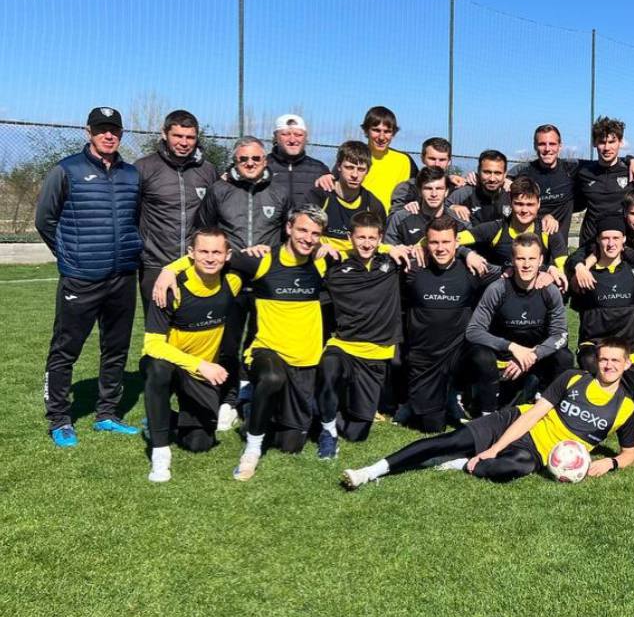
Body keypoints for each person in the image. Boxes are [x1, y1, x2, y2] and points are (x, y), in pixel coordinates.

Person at [157, 204, 331, 479]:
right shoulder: (262, 260)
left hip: (305, 360)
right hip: (267, 351)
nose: (308, 238)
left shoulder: (322, 262)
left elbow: (364, 246)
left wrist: (390, 248)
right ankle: (251, 449)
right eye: (302, 230)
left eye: (315, 234)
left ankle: (256, 410)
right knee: (272, 377)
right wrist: (169, 269)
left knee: (290, 445)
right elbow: (214, 257)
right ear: (288, 228)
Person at [341, 338, 634, 489]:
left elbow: (629, 454)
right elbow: (533, 415)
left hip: (538, 454)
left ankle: (461, 463)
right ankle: (370, 471)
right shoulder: (573, 378)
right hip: (514, 422)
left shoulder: (626, 408)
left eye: (615, 361)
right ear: (596, 361)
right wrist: (494, 448)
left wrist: (610, 463)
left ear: (627, 364)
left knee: (511, 469)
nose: (608, 366)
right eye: (604, 359)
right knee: (449, 440)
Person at [36, 107, 143, 446]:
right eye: (101, 129)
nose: (108, 135)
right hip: (81, 278)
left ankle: (107, 414)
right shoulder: (66, 170)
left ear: (121, 134)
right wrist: (69, 255)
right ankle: (59, 418)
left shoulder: (132, 174)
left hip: (122, 276)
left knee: (116, 349)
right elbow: (45, 220)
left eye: (114, 130)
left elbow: (137, 219)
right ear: (88, 132)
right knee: (65, 349)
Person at [192, 136, 292, 422]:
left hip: (266, 282)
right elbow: (203, 230)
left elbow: (289, 237)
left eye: (256, 158)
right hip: (229, 279)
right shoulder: (219, 190)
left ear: (265, 160)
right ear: (235, 161)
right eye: (243, 159)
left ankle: (250, 396)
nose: (250, 163)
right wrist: (231, 255)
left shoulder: (280, 192)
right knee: (227, 342)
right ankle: (227, 399)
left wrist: (271, 253)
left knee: (259, 342)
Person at [141, 227, 241, 481]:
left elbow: (271, 258)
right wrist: (199, 364)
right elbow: (152, 345)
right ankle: (160, 453)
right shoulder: (170, 287)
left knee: (199, 443)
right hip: (173, 365)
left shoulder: (233, 280)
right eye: (203, 251)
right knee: (158, 368)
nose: (210, 258)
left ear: (228, 255)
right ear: (191, 253)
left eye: (216, 252)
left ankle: (160, 417)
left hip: (199, 373)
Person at [315, 212, 413, 457]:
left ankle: (321, 408)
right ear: (350, 237)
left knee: (356, 434)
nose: (366, 243)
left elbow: (428, 247)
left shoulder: (393, 263)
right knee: (329, 367)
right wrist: (319, 249)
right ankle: (327, 431)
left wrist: (391, 248)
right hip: (344, 345)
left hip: (376, 354)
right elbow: (299, 252)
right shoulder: (334, 263)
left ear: (380, 238)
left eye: (372, 238)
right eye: (361, 237)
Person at [400, 216, 497, 432]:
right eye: (434, 242)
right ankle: (421, 401)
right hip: (426, 359)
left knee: (484, 357)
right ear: (426, 243)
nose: (440, 248)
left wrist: (549, 271)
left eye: (446, 242)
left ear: (456, 243)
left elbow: (511, 271)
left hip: (458, 353)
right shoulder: (413, 269)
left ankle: (488, 417)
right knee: (433, 427)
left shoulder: (471, 269)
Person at [465, 234, 572, 417]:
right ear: (512, 260)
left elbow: (560, 335)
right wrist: (512, 347)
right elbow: (473, 331)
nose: (526, 264)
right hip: (504, 361)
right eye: (521, 258)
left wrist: (533, 355)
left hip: (535, 358)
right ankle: (487, 413)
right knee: (481, 356)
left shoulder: (550, 291)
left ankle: (546, 404)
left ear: (540, 261)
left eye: (532, 259)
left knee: (564, 357)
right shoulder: (498, 289)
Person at [134, 109, 218, 310]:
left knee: (196, 325)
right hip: (155, 264)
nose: (184, 142)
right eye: (178, 136)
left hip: (195, 264)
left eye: (190, 137)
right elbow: (130, 214)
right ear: (164, 134)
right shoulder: (144, 167)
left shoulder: (208, 170)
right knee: (158, 324)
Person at [566, 217, 634, 388]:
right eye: (606, 238)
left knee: (624, 399)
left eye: (616, 238)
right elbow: (570, 265)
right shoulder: (585, 274)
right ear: (598, 240)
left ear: (624, 239)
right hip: (594, 346)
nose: (611, 243)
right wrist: (580, 267)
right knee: (595, 388)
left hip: (627, 348)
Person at [457, 176, 567, 276]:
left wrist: (550, 275)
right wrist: (468, 254)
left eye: (530, 205)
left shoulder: (548, 230)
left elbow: (563, 269)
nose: (524, 210)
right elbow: (452, 241)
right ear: (510, 202)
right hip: (502, 286)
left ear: (538, 204)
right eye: (519, 204)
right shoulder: (496, 228)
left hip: (537, 286)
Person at [576, 117, 634, 242]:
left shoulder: (633, 172)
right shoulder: (583, 172)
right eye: (602, 142)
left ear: (620, 142)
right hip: (590, 242)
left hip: (620, 244)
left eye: (612, 142)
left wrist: (632, 159)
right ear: (594, 143)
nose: (607, 147)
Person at [306, 141, 386, 253]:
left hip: (356, 261)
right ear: (339, 166)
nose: (355, 175)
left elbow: (379, 243)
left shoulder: (373, 205)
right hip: (322, 257)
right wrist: (319, 246)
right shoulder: (320, 195)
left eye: (361, 169)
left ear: (368, 170)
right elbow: (304, 233)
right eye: (349, 167)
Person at [385, 166, 468, 247]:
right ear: (419, 191)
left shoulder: (460, 222)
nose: (434, 194)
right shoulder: (400, 219)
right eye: (428, 188)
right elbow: (388, 250)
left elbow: (468, 251)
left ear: (446, 192)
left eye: (439, 188)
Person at [357, 106, 419, 211]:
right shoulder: (355, 157)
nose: (381, 137)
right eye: (376, 130)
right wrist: (326, 173)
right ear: (366, 131)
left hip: (393, 219)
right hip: (362, 219)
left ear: (393, 133)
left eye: (387, 131)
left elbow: (425, 186)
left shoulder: (404, 161)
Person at [268, 114, 330, 206]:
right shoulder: (262, 166)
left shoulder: (320, 169)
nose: (292, 140)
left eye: (298, 135)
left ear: (305, 138)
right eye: (286, 134)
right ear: (275, 137)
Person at [389, 136, 460, 212]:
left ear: (449, 162)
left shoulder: (456, 187)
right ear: (422, 159)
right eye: (432, 159)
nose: (437, 164)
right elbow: (394, 215)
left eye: (442, 160)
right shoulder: (407, 188)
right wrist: (406, 210)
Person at [447, 149, 510, 224]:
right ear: (479, 171)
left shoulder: (512, 195)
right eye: (487, 172)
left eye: (497, 173)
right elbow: (441, 206)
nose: (492, 179)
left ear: (505, 174)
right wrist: (451, 207)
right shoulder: (466, 192)